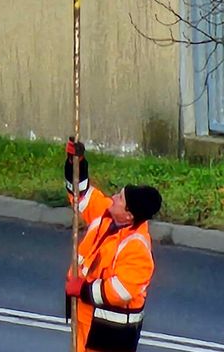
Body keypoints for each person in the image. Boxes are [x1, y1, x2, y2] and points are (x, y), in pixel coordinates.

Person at [64, 139, 163, 352]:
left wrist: (82, 289)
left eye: (119, 198)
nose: (114, 198)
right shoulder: (109, 214)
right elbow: (80, 196)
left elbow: (120, 291)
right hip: (87, 321)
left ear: (129, 214)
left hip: (108, 336)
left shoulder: (137, 249)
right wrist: (76, 163)